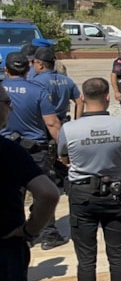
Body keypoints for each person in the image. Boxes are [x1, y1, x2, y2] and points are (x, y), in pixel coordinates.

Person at [58, 78, 121, 281]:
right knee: (117, 253)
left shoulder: (70, 129)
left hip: (82, 196)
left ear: (82, 98)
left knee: (86, 260)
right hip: (114, 194)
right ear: (107, 97)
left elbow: (64, 158)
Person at [0, 85, 60, 281]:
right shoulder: (9, 151)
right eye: (7, 103)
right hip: (5, 247)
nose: (11, 108)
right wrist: (30, 230)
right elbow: (48, 193)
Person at [1, 51, 67, 250]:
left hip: (5, 150)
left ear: (6, 69)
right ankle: (48, 234)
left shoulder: (1, 90)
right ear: (27, 69)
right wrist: (64, 150)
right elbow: (52, 123)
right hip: (35, 151)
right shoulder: (37, 91)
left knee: (11, 195)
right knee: (41, 191)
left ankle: (14, 233)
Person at [31, 47, 84, 122]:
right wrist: (77, 122)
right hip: (62, 122)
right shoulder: (67, 81)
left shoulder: (36, 82)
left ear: (40, 64)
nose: (33, 65)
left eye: (34, 62)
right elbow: (80, 102)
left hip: (44, 123)